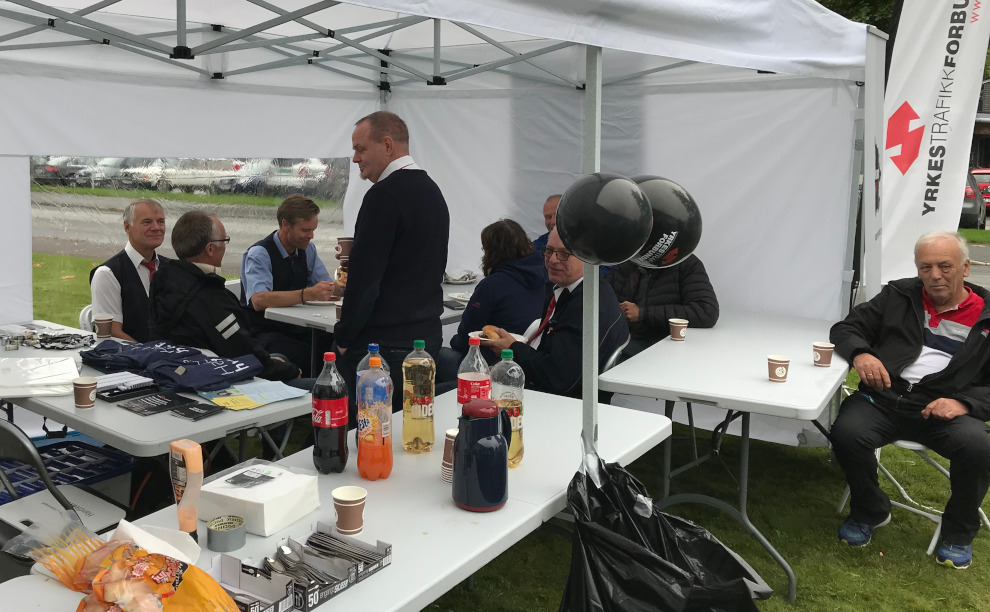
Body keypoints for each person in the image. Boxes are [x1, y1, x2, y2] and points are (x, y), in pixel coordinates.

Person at [829, 230, 990, 570]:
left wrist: (964, 404)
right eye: (925, 267)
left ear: (965, 268)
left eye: (945, 266)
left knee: (978, 447)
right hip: (885, 397)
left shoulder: (986, 316)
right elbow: (846, 328)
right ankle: (870, 509)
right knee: (846, 432)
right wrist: (861, 354)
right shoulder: (898, 295)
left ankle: (958, 532)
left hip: (946, 409)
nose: (935, 275)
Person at [335, 111, 450, 419]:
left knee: (370, 431)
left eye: (360, 149)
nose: (355, 158)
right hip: (426, 338)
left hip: (385, 345)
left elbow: (365, 280)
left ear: (387, 145)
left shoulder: (383, 196)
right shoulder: (432, 191)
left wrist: (344, 337)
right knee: (413, 427)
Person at [149, 211, 302, 382]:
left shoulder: (163, 279)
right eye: (224, 240)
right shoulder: (212, 297)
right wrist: (290, 371)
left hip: (178, 371)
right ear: (210, 249)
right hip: (222, 379)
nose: (225, 246)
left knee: (280, 356)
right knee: (312, 384)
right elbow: (242, 351)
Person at [486, 228, 629, 398]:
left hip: (562, 404)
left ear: (588, 258)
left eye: (564, 254)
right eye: (549, 251)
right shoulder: (577, 290)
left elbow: (557, 377)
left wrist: (512, 349)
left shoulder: (588, 307)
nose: (553, 260)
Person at [437, 219, 546, 381]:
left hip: (492, 365)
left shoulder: (492, 285)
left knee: (432, 355)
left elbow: (467, 337)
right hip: (526, 361)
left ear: (491, 251)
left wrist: (455, 342)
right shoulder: (544, 278)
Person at [240, 194, 336, 373]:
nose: (311, 236)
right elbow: (258, 300)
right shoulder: (260, 254)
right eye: (305, 230)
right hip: (263, 331)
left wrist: (346, 281)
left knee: (336, 342)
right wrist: (306, 294)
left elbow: (326, 285)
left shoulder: (307, 249)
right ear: (285, 225)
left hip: (296, 327)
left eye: (313, 230)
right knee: (313, 355)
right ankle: (315, 387)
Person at [608, 255, 719, 358]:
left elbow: (706, 311)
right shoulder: (624, 263)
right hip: (623, 342)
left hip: (664, 348)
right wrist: (616, 310)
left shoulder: (686, 263)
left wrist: (642, 314)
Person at [90, 199, 168, 342]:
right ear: (127, 227)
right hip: (133, 355)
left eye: (161, 221)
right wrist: (150, 352)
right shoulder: (107, 274)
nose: (156, 227)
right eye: (147, 222)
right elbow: (111, 334)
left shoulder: (171, 269)